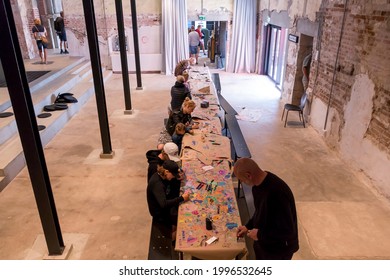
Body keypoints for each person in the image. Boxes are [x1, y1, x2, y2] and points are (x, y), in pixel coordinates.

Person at [234, 158, 299, 260]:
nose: (242, 183)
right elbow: (260, 212)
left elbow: (287, 231)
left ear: (248, 175)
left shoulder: (277, 194)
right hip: (265, 244)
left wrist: (260, 235)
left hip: (279, 251)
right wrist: (248, 226)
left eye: (241, 180)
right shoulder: (257, 186)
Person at [147, 160, 190, 228]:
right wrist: (182, 198)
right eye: (173, 174)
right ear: (166, 171)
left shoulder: (162, 175)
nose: (173, 177)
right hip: (159, 213)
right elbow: (164, 204)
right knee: (184, 220)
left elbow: (170, 180)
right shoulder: (157, 184)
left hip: (165, 201)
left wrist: (177, 178)